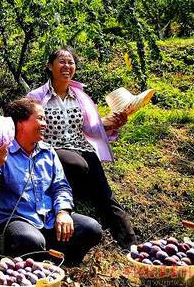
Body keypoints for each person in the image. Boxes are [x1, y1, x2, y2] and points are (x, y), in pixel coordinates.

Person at [27, 47, 136, 249]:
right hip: (52, 150)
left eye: (71, 62)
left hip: (82, 148)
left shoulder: (80, 97)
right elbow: (27, 126)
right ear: (50, 66)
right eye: (62, 62)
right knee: (78, 165)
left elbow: (89, 127)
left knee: (105, 196)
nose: (67, 66)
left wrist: (111, 122)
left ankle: (131, 245)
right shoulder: (36, 96)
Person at [0, 97, 102, 264]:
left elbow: (61, 186)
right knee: (30, 240)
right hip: (18, 221)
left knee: (91, 228)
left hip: (49, 220)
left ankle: (51, 259)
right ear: (21, 123)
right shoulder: (2, 152)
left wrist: (63, 212)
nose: (45, 123)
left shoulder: (48, 152)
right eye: (40, 118)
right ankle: (38, 256)